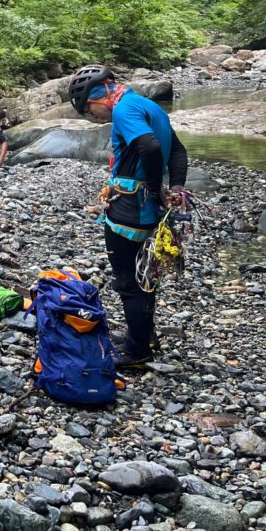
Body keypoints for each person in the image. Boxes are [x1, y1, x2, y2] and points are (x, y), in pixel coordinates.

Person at [68, 65, 188, 369]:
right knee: (145, 273)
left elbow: (149, 147)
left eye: (88, 109)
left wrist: (150, 187)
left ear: (101, 95)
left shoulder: (124, 110)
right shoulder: (150, 106)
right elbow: (177, 151)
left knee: (129, 281)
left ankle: (137, 352)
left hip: (129, 208)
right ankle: (145, 336)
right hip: (150, 210)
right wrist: (174, 188)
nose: (92, 116)